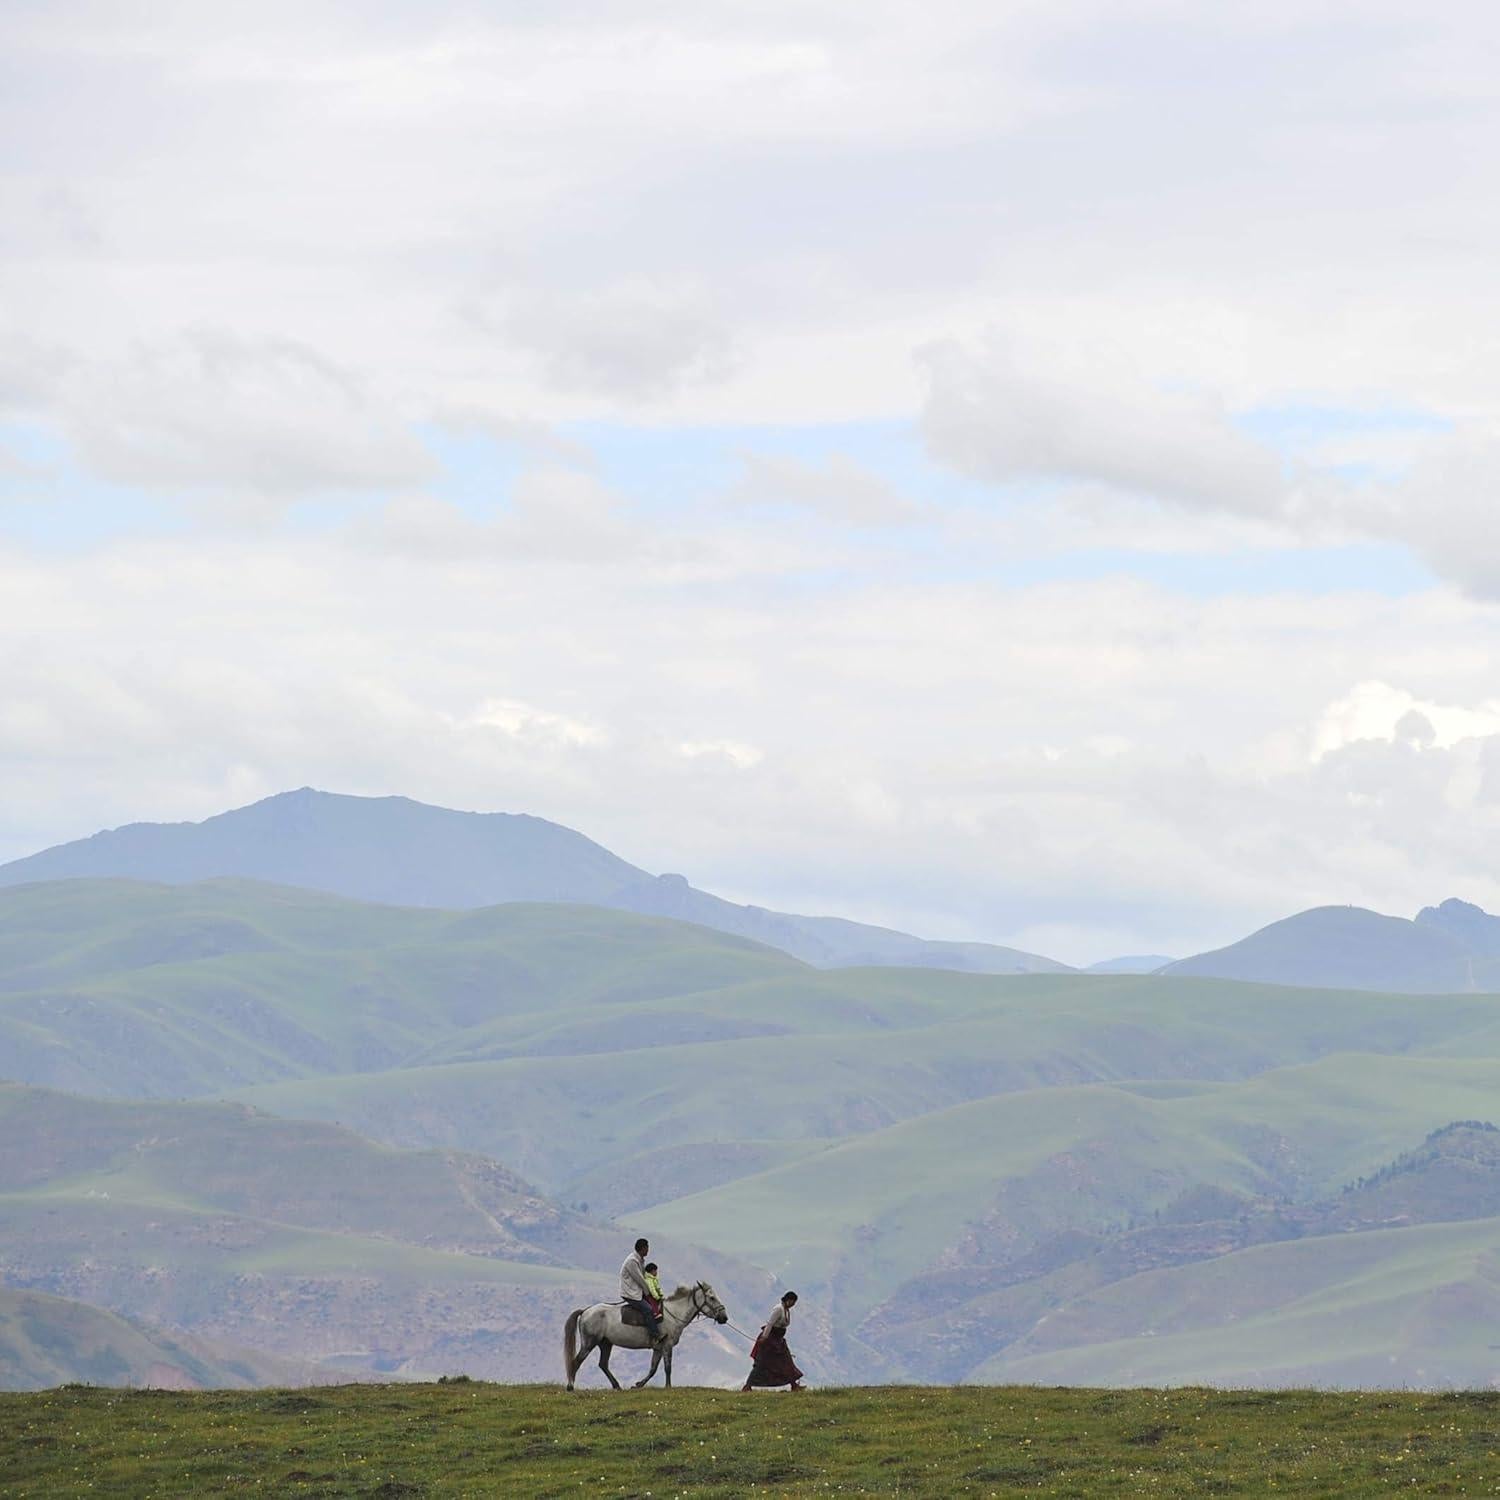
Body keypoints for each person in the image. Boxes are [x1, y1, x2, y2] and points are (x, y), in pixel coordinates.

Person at [742, 1291, 803, 1391]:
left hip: (779, 1340)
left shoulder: (786, 1310)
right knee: (761, 1363)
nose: (793, 1305)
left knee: (787, 1361)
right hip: (769, 1340)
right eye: (792, 1302)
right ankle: (747, 1386)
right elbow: (770, 1324)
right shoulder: (778, 1309)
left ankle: (794, 1385)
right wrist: (764, 1338)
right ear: (787, 1300)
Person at [619, 1236, 665, 1346]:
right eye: (647, 1248)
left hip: (637, 1290)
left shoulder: (640, 1260)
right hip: (631, 1292)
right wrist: (649, 1293)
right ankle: (655, 1336)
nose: (648, 1250)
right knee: (648, 1309)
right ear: (642, 1248)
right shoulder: (632, 1261)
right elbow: (640, 1279)